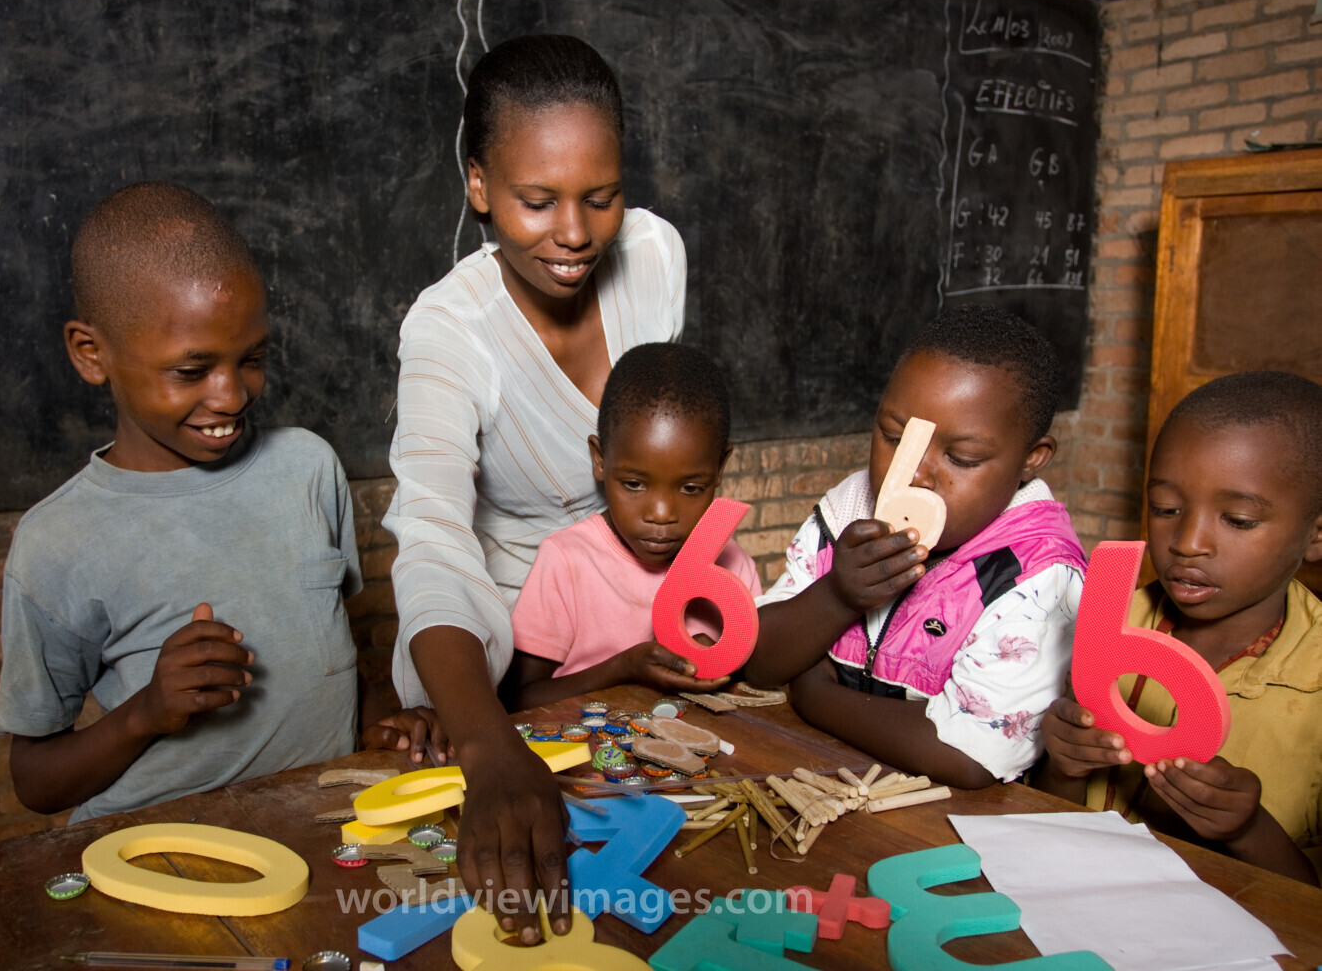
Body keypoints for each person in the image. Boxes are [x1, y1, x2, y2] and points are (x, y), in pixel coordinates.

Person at [0, 182, 440, 823]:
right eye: (190, 370)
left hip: (326, 826)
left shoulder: (307, 467)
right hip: (170, 854)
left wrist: (381, 726)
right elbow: (36, 783)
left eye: (251, 358)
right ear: (92, 354)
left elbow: (334, 661)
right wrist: (146, 713)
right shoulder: (56, 543)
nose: (231, 395)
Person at [383, 35, 685, 941]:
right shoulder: (447, 330)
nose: (576, 234)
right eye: (536, 200)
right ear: (478, 186)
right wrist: (488, 746)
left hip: (636, 596)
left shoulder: (657, 257)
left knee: (657, 864)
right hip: (511, 647)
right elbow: (434, 533)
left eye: (601, 197)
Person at [745, 305, 1086, 789]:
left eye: (962, 458)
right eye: (893, 437)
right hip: (820, 778)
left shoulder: (1037, 574)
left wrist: (815, 692)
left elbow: (968, 755)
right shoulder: (848, 510)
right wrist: (838, 596)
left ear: (1031, 460)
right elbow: (758, 660)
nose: (916, 476)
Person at [1035, 371, 1322, 885]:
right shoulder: (1109, 621)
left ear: (1316, 534)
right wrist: (1062, 765)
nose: (1187, 541)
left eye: (1237, 519)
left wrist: (1250, 830)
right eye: (1166, 509)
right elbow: (1052, 827)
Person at [502, 343, 760, 711]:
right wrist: (623, 670)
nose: (660, 513)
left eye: (691, 488)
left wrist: (718, 667)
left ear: (720, 469)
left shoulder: (733, 565)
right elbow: (516, 699)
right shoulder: (567, 561)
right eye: (634, 484)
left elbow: (759, 685)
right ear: (599, 461)